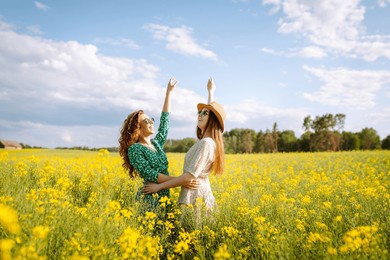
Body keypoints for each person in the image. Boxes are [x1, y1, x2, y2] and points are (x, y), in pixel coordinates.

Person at [143, 78, 225, 210]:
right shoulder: (206, 142)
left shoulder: (206, 144)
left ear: (213, 120)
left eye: (205, 113)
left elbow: (189, 177)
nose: (200, 115)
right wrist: (211, 92)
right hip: (195, 193)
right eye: (199, 112)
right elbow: (212, 112)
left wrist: (159, 187)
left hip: (196, 197)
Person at [118, 78, 197, 209]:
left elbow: (165, 123)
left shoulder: (156, 144)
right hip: (150, 196)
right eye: (146, 121)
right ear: (137, 127)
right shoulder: (135, 149)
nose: (151, 122)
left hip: (163, 193)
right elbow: (150, 174)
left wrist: (168, 93)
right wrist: (180, 180)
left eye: (151, 119)